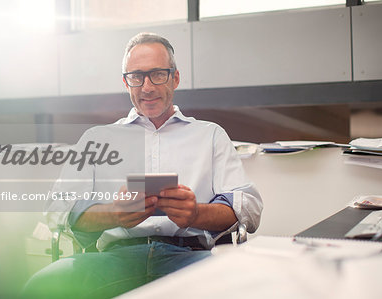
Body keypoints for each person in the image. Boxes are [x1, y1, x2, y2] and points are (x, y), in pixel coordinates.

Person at [22, 32, 263, 299]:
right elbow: (57, 208)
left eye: (158, 74)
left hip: (190, 257)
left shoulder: (210, 135)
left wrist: (196, 213)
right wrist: (114, 214)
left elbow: (247, 208)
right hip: (114, 260)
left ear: (176, 77)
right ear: (126, 83)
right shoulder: (97, 138)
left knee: (247, 287)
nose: (146, 87)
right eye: (136, 77)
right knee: (40, 288)